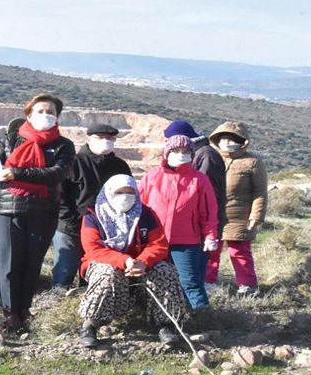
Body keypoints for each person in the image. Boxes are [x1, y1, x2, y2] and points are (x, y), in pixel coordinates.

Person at [0, 94, 75, 330]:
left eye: (51, 112)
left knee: (32, 262)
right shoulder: (9, 140)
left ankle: (24, 309)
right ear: (28, 114)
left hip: (44, 210)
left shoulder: (63, 145)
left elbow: (56, 174)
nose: (46, 116)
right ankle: (9, 313)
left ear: (57, 117)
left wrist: (17, 173)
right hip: (8, 209)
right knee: (9, 263)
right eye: (40, 111)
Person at [78, 175, 188, 347]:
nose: (125, 196)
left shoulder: (146, 214)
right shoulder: (93, 215)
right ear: (108, 193)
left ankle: (167, 325)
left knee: (165, 271)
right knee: (107, 274)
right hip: (105, 262)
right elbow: (93, 248)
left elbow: (158, 243)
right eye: (119, 192)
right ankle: (90, 325)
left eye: (130, 192)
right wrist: (125, 261)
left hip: (141, 263)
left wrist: (143, 261)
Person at [138, 135, 219, 311]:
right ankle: (161, 317)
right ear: (167, 153)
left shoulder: (199, 179)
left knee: (190, 281)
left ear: (191, 154)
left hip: (186, 241)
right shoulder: (151, 177)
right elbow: (139, 207)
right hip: (154, 240)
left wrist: (210, 235)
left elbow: (209, 212)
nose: (180, 154)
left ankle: (202, 317)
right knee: (154, 279)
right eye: (175, 151)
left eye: (185, 151)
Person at [54, 124, 131, 288]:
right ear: (89, 139)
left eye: (110, 138)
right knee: (65, 271)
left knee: (95, 270)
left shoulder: (120, 166)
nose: (105, 141)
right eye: (100, 138)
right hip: (71, 227)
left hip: (105, 230)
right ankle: (57, 306)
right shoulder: (73, 162)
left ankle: (88, 303)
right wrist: (70, 220)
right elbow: (60, 195)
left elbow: (129, 194)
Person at [163, 120, 227, 294]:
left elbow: (205, 197)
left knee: (195, 274)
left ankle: (199, 311)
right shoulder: (199, 153)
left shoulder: (205, 155)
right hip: (191, 226)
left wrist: (206, 231)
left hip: (199, 227)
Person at [206, 122, 268, 296]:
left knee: (240, 251)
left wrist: (256, 215)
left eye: (232, 139)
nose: (227, 142)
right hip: (214, 215)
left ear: (242, 141)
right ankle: (208, 283)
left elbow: (260, 192)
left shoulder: (253, 162)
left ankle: (248, 286)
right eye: (224, 138)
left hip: (240, 216)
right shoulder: (213, 158)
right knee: (211, 250)